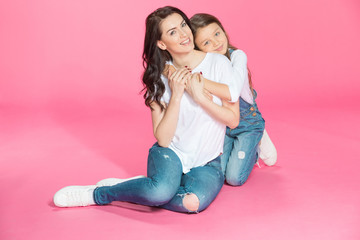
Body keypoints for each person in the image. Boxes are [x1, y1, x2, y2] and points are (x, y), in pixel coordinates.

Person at [53, 6, 241, 213]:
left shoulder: (219, 63)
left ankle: (141, 188)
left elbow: (233, 121)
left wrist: (199, 97)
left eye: (183, 25)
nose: (184, 34)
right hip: (171, 154)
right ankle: (99, 193)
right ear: (161, 43)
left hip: (208, 162)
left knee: (191, 203)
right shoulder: (159, 78)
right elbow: (163, 139)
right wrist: (176, 95)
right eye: (172, 32)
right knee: (160, 193)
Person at [189, 13, 277, 186]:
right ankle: (243, 145)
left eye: (217, 33)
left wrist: (199, 82)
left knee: (234, 178)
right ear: (198, 49)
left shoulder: (238, 56)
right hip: (225, 125)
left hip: (247, 123)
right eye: (206, 42)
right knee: (218, 173)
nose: (216, 43)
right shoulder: (204, 66)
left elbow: (233, 91)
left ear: (223, 30)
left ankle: (257, 143)